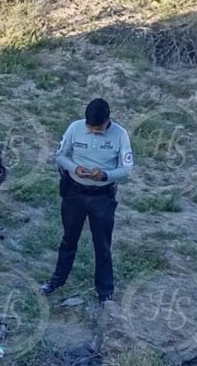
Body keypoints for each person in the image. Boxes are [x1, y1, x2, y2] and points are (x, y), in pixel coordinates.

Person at [41, 98, 134, 304]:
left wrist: (106, 175)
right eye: (90, 128)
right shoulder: (75, 128)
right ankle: (57, 281)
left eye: (98, 129)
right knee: (68, 240)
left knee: (102, 245)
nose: (93, 131)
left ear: (108, 120)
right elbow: (60, 155)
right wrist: (75, 168)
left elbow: (127, 169)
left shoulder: (120, 135)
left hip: (102, 197)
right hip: (74, 193)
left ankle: (105, 292)